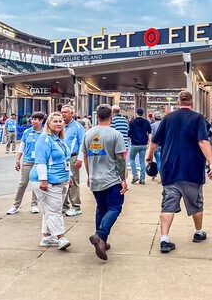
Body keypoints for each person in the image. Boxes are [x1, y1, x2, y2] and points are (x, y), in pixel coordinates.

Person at [146, 91, 212, 253]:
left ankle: (165, 239)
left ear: (178, 102)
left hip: (170, 168)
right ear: (191, 102)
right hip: (192, 169)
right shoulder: (198, 118)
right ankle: (198, 232)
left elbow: (154, 142)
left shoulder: (168, 118)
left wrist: (149, 157)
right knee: (196, 202)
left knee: (168, 204)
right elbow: (203, 141)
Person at [81, 104, 127, 261]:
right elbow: (120, 159)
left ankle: (102, 242)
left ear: (97, 117)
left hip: (95, 178)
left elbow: (86, 157)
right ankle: (100, 235)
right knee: (115, 208)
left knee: (101, 209)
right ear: (111, 118)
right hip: (111, 178)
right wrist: (123, 179)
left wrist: (89, 175)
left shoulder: (88, 134)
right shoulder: (115, 134)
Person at [30, 112, 72, 250]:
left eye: (60, 121)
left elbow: (64, 160)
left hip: (61, 179)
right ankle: (61, 237)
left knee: (51, 210)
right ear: (49, 123)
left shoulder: (59, 140)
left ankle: (47, 237)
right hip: (48, 181)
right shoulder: (45, 139)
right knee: (54, 211)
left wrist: (69, 176)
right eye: (55, 121)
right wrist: (43, 180)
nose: (59, 123)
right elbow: (40, 160)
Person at [6, 111, 44, 215]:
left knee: (36, 184)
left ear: (41, 121)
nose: (33, 121)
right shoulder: (27, 132)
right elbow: (22, 146)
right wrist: (18, 160)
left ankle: (34, 204)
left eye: (36, 119)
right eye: (33, 119)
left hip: (39, 162)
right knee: (23, 183)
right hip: (27, 161)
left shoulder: (45, 133)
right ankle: (15, 205)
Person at [61, 105, 85, 217]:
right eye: (62, 112)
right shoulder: (60, 125)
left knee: (73, 182)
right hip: (61, 158)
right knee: (62, 181)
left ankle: (76, 206)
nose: (63, 114)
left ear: (72, 114)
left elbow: (82, 144)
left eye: (65, 112)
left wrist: (80, 159)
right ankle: (64, 206)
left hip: (73, 157)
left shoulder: (77, 127)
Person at [127, 107, 152, 185]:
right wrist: (149, 142)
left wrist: (129, 138)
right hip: (143, 144)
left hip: (135, 144)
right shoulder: (147, 122)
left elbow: (129, 133)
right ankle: (142, 179)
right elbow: (150, 133)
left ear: (136, 113)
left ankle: (135, 176)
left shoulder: (132, 122)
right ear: (143, 113)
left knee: (131, 159)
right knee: (142, 161)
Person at [149, 111, 163, 178]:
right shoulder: (164, 125)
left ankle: (160, 175)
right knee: (162, 160)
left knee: (158, 160)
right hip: (163, 145)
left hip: (156, 145)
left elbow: (151, 136)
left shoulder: (152, 126)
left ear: (154, 118)